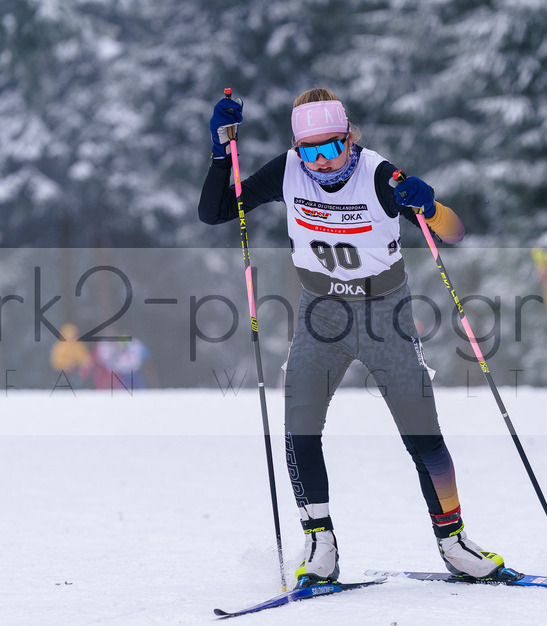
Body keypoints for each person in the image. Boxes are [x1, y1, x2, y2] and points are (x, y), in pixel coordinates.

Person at [199, 87, 506, 587]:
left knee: (421, 431)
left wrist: (428, 204)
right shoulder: (288, 170)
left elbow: (453, 232)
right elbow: (215, 212)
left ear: (350, 137)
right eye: (309, 151)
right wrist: (219, 149)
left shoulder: (380, 176)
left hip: (384, 314)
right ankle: (320, 541)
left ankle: (454, 543)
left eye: (331, 148)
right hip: (320, 313)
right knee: (299, 423)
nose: (320, 162)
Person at [50, 323, 93, 389]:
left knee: (81, 374)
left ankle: (77, 386)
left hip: (75, 370)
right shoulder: (60, 346)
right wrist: (66, 364)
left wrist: (83, 365)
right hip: (63, 370)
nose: (70, 336)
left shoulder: (78, 345)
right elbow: (55, 361)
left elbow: (85, 358)